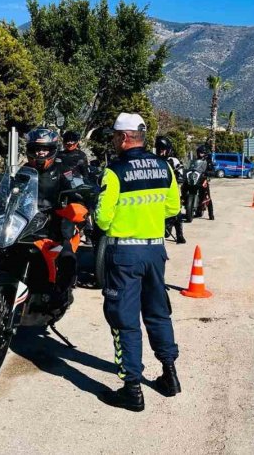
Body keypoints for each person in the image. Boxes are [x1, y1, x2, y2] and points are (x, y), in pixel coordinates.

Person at [95, 113, 182, 412]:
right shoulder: (164, 166)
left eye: (114, 136)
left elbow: (103, 218)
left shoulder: (114, 171)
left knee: (125, 320)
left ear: (123, 137)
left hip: (125, 255)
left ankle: (132, 389)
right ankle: (169, 375)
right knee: (158, 313)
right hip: (156, 251)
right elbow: (173, 206)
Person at [24, 127, 85, 314]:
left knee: (67, 254)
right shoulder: (24, 170)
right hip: (27, 219)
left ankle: (60, 293)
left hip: (55, 220)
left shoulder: (63, 170)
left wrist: (83, 195)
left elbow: (79, 187)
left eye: (44, 149)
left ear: (52, 149)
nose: (40, 153)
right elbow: (10, 189)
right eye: (36, 149)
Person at [155, 136, 186, 244]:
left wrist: (180, 176)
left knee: (177, 212)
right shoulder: (154, 161)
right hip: (157, 193)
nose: (161, 152)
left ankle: (180, 235)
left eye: (163, 150)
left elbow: (181, 169)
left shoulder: (173, 160)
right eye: (159, 149)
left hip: (172, 191)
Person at [195, 145, 215, 220]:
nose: (199, 154)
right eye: (198, 153)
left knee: (207, 197)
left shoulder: (208, 161)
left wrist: (208, 173)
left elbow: (213, 171)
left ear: (205, 153)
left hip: (203, 180)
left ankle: (211, 214)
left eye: (201, 153)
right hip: (195, 178)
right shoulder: (196, 161)